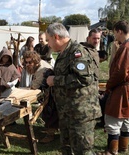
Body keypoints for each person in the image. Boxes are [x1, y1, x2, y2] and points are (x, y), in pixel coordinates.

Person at [45, 23, 101, 155]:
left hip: (80, 113)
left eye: (48, 40)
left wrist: (55, 80)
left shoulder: (77, 52)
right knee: (67, 148)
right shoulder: (64, 52)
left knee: (83, 151)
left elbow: (84, 78)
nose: (48, 44)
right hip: (68, 112)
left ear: (56, 37)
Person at [100, 20, 129, 154]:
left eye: (114, 32)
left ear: (120, 31)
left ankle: (112, 151)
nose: (114, 36)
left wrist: (109, 86)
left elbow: (121, 72)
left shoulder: (127, 47)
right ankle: (123, 147)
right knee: (127, 118)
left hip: (122, 88)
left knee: (113, 119)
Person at [22, 50, 59, 143]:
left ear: (36, 61)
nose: (27, 64)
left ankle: (50, 135)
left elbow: (34, 86)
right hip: (49, 92)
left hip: (53, 93)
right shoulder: (38, 66)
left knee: (50, 113)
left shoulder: (42, 69)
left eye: (30, 62)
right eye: (26, 62)